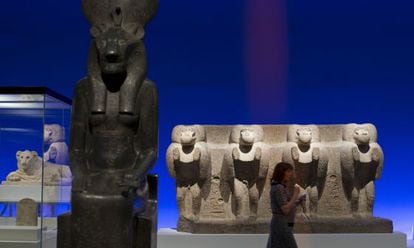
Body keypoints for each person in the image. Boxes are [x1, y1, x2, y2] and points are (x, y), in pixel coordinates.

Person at [267, 162, 304, 248]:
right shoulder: (278, 188)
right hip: (281, 225)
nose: (291, 174)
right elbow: (285, 209)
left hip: (284, 224)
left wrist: (297, 201)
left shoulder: (280, 187)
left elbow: (287, 204)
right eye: (289, 171)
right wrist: (295, 195)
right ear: (282, 172)